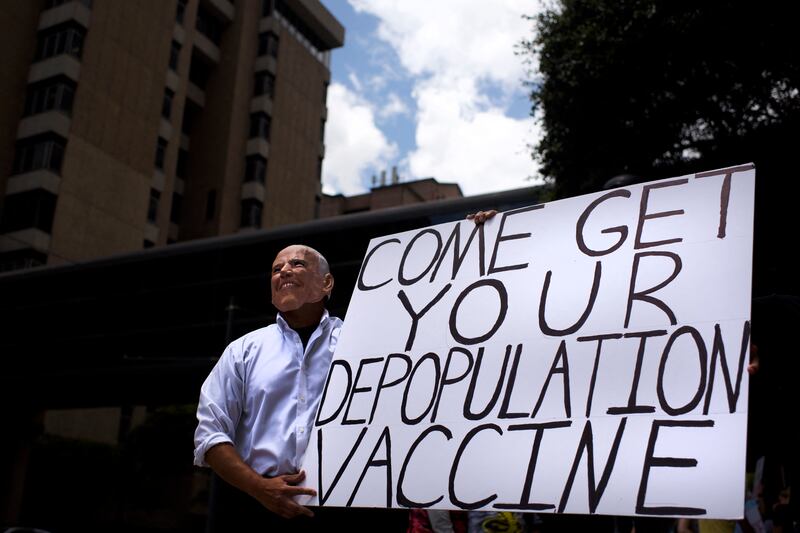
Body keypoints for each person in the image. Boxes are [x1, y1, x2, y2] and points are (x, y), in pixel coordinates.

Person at [194, 244, 343, 531]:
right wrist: (260, 488)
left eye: (297, 264)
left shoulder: (360, 342)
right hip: (255, 510)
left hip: (345, 510)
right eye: (276, 269)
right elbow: (209, 434)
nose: (284, 270)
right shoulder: (243, 351)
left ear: (326, 283)